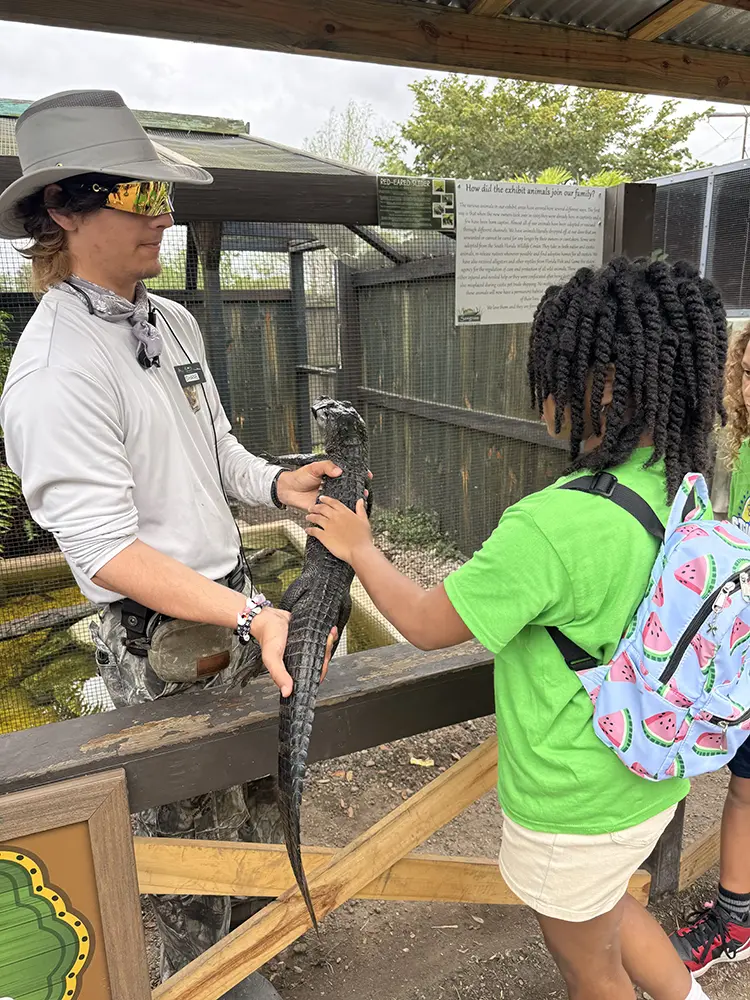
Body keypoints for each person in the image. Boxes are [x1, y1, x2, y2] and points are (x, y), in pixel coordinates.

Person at [299, 257, 728, 1000]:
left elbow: (431, 624)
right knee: (612, 909)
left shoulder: (556, 522)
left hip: (572, 794)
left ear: (594, 383)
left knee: (586, 964)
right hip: (650, 772)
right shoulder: (680, 485)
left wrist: (362, 548)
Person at [0, 90, 339, 998]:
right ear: (64, 212)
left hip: (230, 598)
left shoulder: (171, 321)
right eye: (139, 196)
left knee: (264, 794)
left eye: (165, 195)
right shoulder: (54, 372)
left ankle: (255, 957)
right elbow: (108, 555)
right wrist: (255, 611)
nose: (165, 214)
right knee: (191, 833)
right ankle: (207, 980)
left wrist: (277, 484)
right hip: (160, 632)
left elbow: (215, 448)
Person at [668, 322, 750, 978]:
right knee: (745, 790)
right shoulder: (737, 449)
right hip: (742, 656)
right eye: (748, 372)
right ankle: (736, 917)